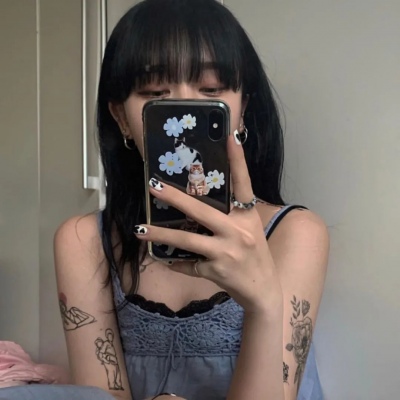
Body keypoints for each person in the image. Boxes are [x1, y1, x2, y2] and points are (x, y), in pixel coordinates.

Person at [53, 0, 329, 400]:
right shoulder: (84, 242)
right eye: (155, 92)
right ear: (121, 117)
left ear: (242, 108)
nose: (184, 112)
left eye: (211, 89)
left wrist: (264, 304)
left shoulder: (296, 234)